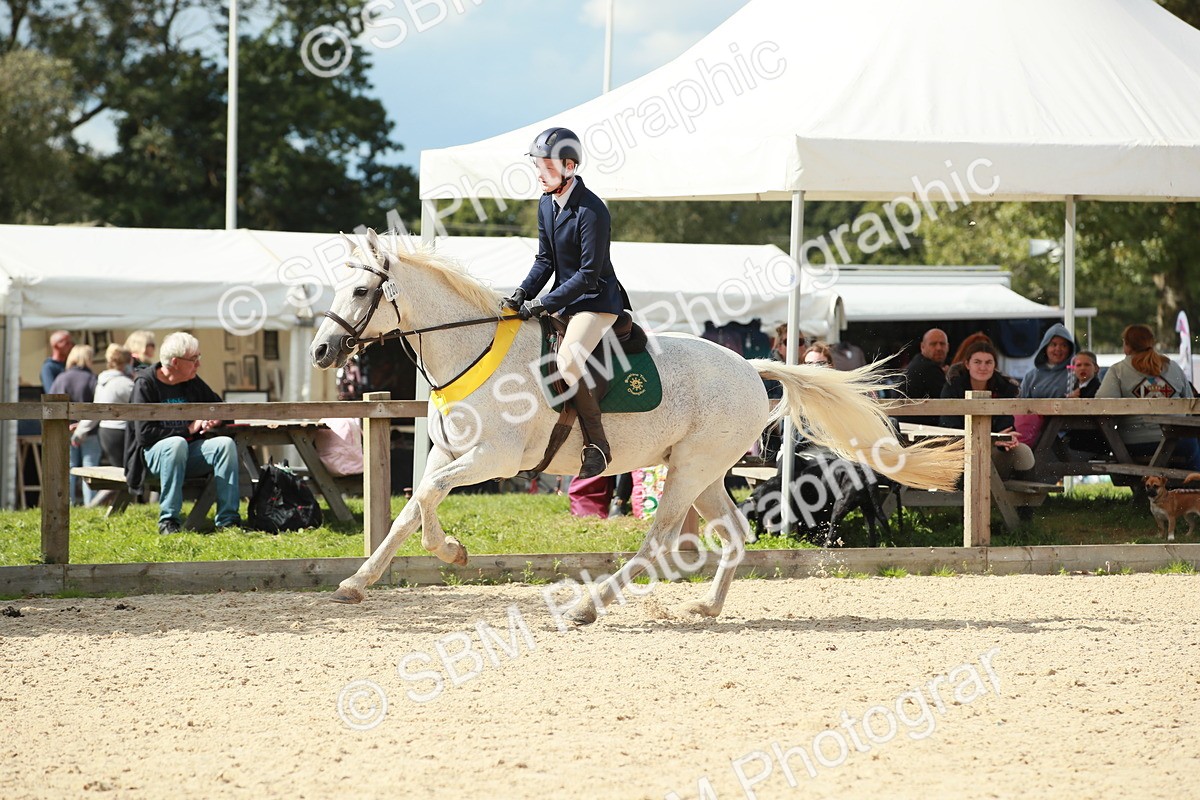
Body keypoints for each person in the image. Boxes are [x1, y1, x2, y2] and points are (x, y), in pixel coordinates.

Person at [500, 126, 631, 479]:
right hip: (564, 299)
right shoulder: (546, 203)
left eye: (547, 167)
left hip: (596, 300)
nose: (539, 175)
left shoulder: (592, 210)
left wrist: (544, 303)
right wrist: (522, 293)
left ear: (569, 167)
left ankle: (597, 445)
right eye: (537, 167)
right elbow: (545, 260)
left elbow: (588, 274)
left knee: (568, 361)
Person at [124, 332, 241, 534]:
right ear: (175, 362)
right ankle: (169, 521)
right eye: (194, 359)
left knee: (225, 445)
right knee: (176, 443)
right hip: (151, 459)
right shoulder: (145, 384)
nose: (198, 364)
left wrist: (217, 418)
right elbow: (144, 434)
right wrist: (187, 429)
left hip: (187, 454)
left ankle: (228, 521)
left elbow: (221, 407)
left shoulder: (191, 380)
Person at [1095, 324, 1200, 469]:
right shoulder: (1173, 367)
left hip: (1135, 443)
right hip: (1180, 443)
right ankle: (1192, 482)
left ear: (1127, 345)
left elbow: (1101, 405)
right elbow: (1190, 403)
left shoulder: (1118, 371)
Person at [940, 340, 1035, 479]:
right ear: (967, 364)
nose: (983, 367)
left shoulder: (1004, 388)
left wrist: (1008, 439)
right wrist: (989, 439)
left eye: (988, 362)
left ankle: (1025, 492)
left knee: (1023, 452)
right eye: (977, 362)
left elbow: (1006, 425)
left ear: (994, 365)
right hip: (959, 451)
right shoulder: (953, 388)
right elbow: (950, 427)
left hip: (994, 449)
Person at [50, 344, 101, 505]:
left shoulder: (61, 378)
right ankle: (91, 505)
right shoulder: (92, 379)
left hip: (66, 429)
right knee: (90, 469)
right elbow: (98, 406)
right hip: (89, 430)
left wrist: (67, 424)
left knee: (68, 468)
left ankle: (67, 503)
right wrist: (81, 424)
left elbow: (51, 406)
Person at [75, 345, 135, 468]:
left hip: (106, 432)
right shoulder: (126, 384)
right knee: (129, 471)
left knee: (117, 471)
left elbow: (95, 410)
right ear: (128, 362)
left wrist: (80, 431)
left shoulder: (102, 382)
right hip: (123, 432)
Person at [898, 328, 949, 425]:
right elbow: (949, 402)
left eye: (942, 344)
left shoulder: (919, 363)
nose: (939, 348)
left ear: (948, 347)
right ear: (922, 346)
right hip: (916, 429)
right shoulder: (928, 368)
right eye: (933, 344)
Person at [1019, 323, 1076, 398]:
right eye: (1053, 344)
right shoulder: (1030, 377)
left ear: (1070, 349)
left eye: (1064, 345)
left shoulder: (1075, 374)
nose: (1058, 349)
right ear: (1045, 347)